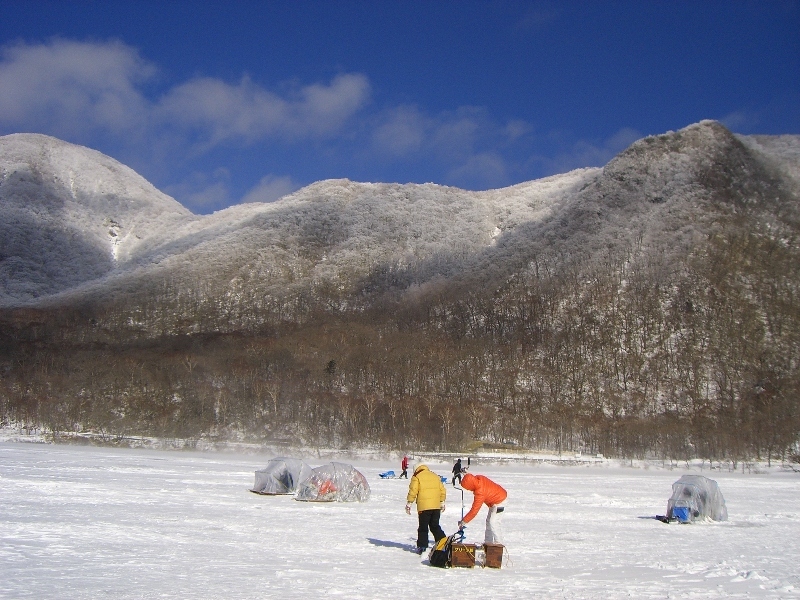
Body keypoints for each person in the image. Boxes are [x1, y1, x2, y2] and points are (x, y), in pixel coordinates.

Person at [405, 464, 447, 554]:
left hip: (424, 507)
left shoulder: (417, 476)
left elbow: (413, 490)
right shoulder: (435, 475)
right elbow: (442, 490)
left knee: (423, 527)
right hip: (436, 507)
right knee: (435, 526)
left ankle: (422, 546)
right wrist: (442, 502)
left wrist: (409, 503)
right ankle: (444, 542)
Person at [458, 472, 507, 544]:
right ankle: (488, 543)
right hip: (496, 499)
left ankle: (499, 545)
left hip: (500, 501)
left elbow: (474, 510)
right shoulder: (479, 478)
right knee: (489, 522)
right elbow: (471, 479)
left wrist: (464, 521)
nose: (469, 490)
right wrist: (466, 474)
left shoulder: (480, 493)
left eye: (468, 488)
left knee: (493, 522)